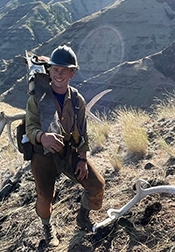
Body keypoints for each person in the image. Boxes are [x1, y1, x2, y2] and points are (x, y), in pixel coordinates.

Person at [25, 45, 105, 247]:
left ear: (72, 73)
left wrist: (82, 159)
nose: (59, 74)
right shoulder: (38, 98)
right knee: (45, 196)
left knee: (97, 186)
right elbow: (30, 127)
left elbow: (83, 133)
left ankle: (83, 217)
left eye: (65, 70)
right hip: (43, 155)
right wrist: (42, 137)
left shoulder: (77, 100)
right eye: (55, 70)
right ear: (49, 71)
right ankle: (47, 227)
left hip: (69, 152)